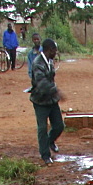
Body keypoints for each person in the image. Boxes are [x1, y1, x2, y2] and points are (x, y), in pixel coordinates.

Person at [30, 38, 63, 166]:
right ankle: (45, 156)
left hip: (51, 99)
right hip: (40, 101)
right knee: (42, 128)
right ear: (50, 50)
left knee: (59, 125)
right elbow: (42, 83)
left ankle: (50, 141)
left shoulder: (49, 61)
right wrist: (57, 91)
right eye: (55, 50)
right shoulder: (37, 63)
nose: (56, 52)